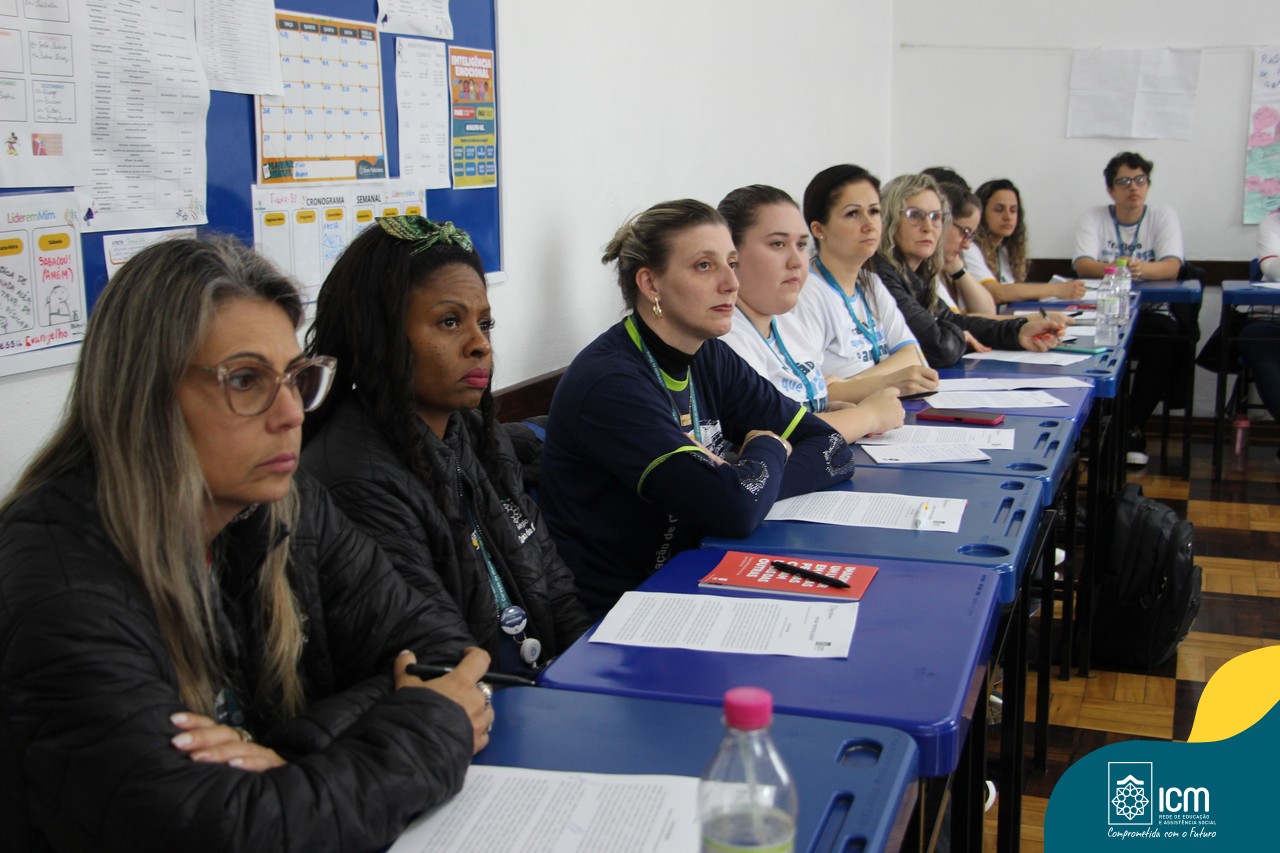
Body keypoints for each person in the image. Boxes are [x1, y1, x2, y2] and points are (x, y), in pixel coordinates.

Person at [0, 237, 494, 852]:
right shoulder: (60, 581)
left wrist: (285, 757)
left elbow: (447, 656)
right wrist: (421, 723)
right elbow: (215, 833)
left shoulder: (286, 503)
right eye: (244, 379)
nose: (291, 413)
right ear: (145, 395)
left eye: (296, 379)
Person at [302, 217, 590, 675]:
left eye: (485, 323)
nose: (480, 345)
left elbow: (553, 584)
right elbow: (433, 658)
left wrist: (584, 671)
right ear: (379, 334)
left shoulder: (474, 432)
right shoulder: (356, 480)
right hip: (469, 703)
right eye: (450, 321)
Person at [541, 199, 856, 617]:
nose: (731, 283)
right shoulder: (609, 383)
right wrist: (769, 450)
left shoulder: (709, 354)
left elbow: (832, 448)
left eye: (732, 263)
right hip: (625, 610)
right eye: (704, 266)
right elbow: (733, 510)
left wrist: (746, 483)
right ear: (650, 284)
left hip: (701, 573)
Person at [716, 183, 906, 442]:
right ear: (731, 256)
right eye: (778, 244)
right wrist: (868, 416)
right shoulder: (724, 338)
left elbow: (799, 410)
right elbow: (774, 436)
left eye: (802, 244)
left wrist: (829, 411)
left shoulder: (788, 324)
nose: (796, 261)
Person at [872, 173, 1065, 367]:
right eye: (914, 215)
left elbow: (951, 320)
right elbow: (939, 348)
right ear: (888, 220)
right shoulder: (880, 273)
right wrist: (960, 336)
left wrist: (1017, 332)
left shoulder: (914, 273)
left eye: (935, 217)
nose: (928, 227)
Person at [1074, 151, 1193, 465]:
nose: (1133, 187)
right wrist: (1119, 268)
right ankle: (1094, 426)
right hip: (1102, 312)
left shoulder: (1162, 216)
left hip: (1150, 314)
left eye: (1140, 180)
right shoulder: (1093, 217)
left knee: (1167, 337)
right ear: (1110, 189)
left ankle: (1130, 427)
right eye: (1124, 181)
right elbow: (1083, 265)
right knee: (1086, 340)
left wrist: (1140, 269)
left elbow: (1172, 266)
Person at [796, 164, 939, 399]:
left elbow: (914, 356)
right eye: (853, 213)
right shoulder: (807, 293)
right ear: (819, 229)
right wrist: (891, 380)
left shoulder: (871, 283)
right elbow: (812, 394)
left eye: (874, 211)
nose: (869, 225)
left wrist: (856, 383)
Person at [966, 178, 1087, 304]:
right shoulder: (969, 249)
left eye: (1013, 210)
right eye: (999, 209)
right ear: (980, 212)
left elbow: (1011, 293)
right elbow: (996, 294)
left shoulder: (1003, 251)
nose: (1008, 217)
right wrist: (1058, 290)